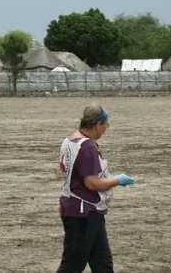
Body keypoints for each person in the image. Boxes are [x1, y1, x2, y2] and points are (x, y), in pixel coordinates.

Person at [56, 103, 136, 273]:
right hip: (84, 213)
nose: (105, 129)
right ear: (98, 124)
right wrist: (118, 180)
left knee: (102, 263)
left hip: (80, 209)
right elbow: (91, 183)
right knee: (72, 265)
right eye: (106, 125)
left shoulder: (70, 141)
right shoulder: (88, 147)